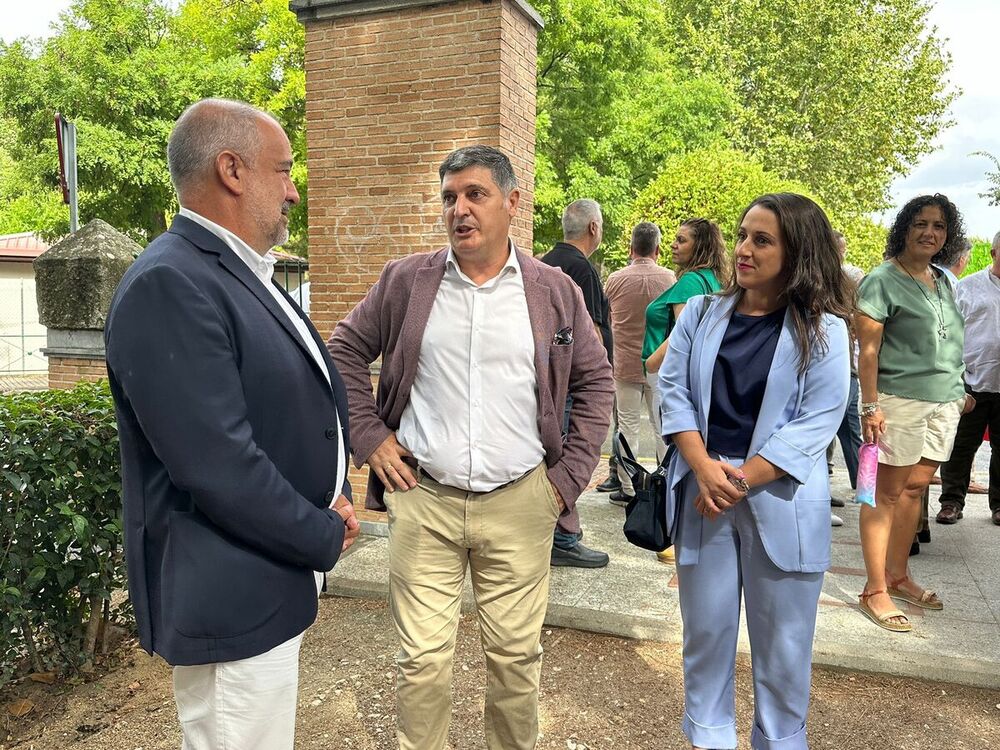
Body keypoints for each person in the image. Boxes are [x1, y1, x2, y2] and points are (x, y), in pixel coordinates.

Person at [328, 146, 613, 750]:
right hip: (424, 499)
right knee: (422, 663)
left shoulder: (555, 291)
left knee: (514, 664)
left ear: (512, 203)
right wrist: (371, 437)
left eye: (475, 194)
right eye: (450, 197)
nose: (459, 209)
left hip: (521, 503)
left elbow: (596, 380)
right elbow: (344, 351)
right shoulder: (407, 281)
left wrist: (564, 483)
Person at [104, 99, 359, 749]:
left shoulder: (237, 272)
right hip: (230, 593)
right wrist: (322, 531)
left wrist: (335, 492)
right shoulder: (171, 283)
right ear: (232, 170)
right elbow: (218, 465)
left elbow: (287, 406)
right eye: (285, 170)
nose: (294, 191)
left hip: (262, 579)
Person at [659, 193, 851, 750]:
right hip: (705, 500)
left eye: (761, 240)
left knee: (785, 656)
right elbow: (672, 392)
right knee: (705, 642)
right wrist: (703, 467)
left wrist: (738, 480)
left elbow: (817, 422)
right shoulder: (700, 313)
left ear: (798, 252)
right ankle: (708, 740)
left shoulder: (825, 331)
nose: (743, 249)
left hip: (780, 505)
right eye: (743, 235)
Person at [855, 193, 971, 632]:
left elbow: (950, 340)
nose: (930, 232)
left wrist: (959, 389)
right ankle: (873, 588)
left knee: (915, 488)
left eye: (939, 226)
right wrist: (870, 405)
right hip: (897, 400)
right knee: (884, 493)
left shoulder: (941, 279)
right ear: (905, 227)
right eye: (921, 223)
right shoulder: (882, 280)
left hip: (944, 400)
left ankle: (898, 574)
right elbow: (868, 349)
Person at [642, 217, 727, 563]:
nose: (674, 245)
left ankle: (672, 531)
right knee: (690, 452)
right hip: (700, 378)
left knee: (676, 451)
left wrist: (651, 362)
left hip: (672, 377)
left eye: (682, 240)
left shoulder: (691, 281)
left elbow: (681, 336)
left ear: (701, 246)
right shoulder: (714, 280)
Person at [539, 199, 613, 567]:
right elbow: (592, 337)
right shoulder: (581, 269)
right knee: (570, 458)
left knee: (554, 457)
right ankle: (563, 538)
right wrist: (599, 382)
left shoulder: (541, 262)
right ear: (594, 229)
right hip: (572, 388)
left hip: (549, 385)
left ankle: (559, 533)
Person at [604, 221, 676, 505]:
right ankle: (666, 484)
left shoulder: (615, 279)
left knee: (627, 427)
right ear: (657, 249)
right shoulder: (670, 279)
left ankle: (629, 488)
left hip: (624, 364)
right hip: (659, 365)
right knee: (662, 427)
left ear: (631, 248)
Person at [937, 230, 1000, 525]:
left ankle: (999, 505)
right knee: (961, 446)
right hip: (972, 380)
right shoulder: (968, 287)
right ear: (993, 253)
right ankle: (951, 501)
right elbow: (948, 333)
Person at [826, 231, 864, 520]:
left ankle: (863, 486)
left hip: (846, 368)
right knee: (837, 431)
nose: (842, 253)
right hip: (834, 366)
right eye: (840, 248)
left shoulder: (846, 280)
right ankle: (859, 487)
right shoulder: (825, 279)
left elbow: (855, 320)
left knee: (848, 430)